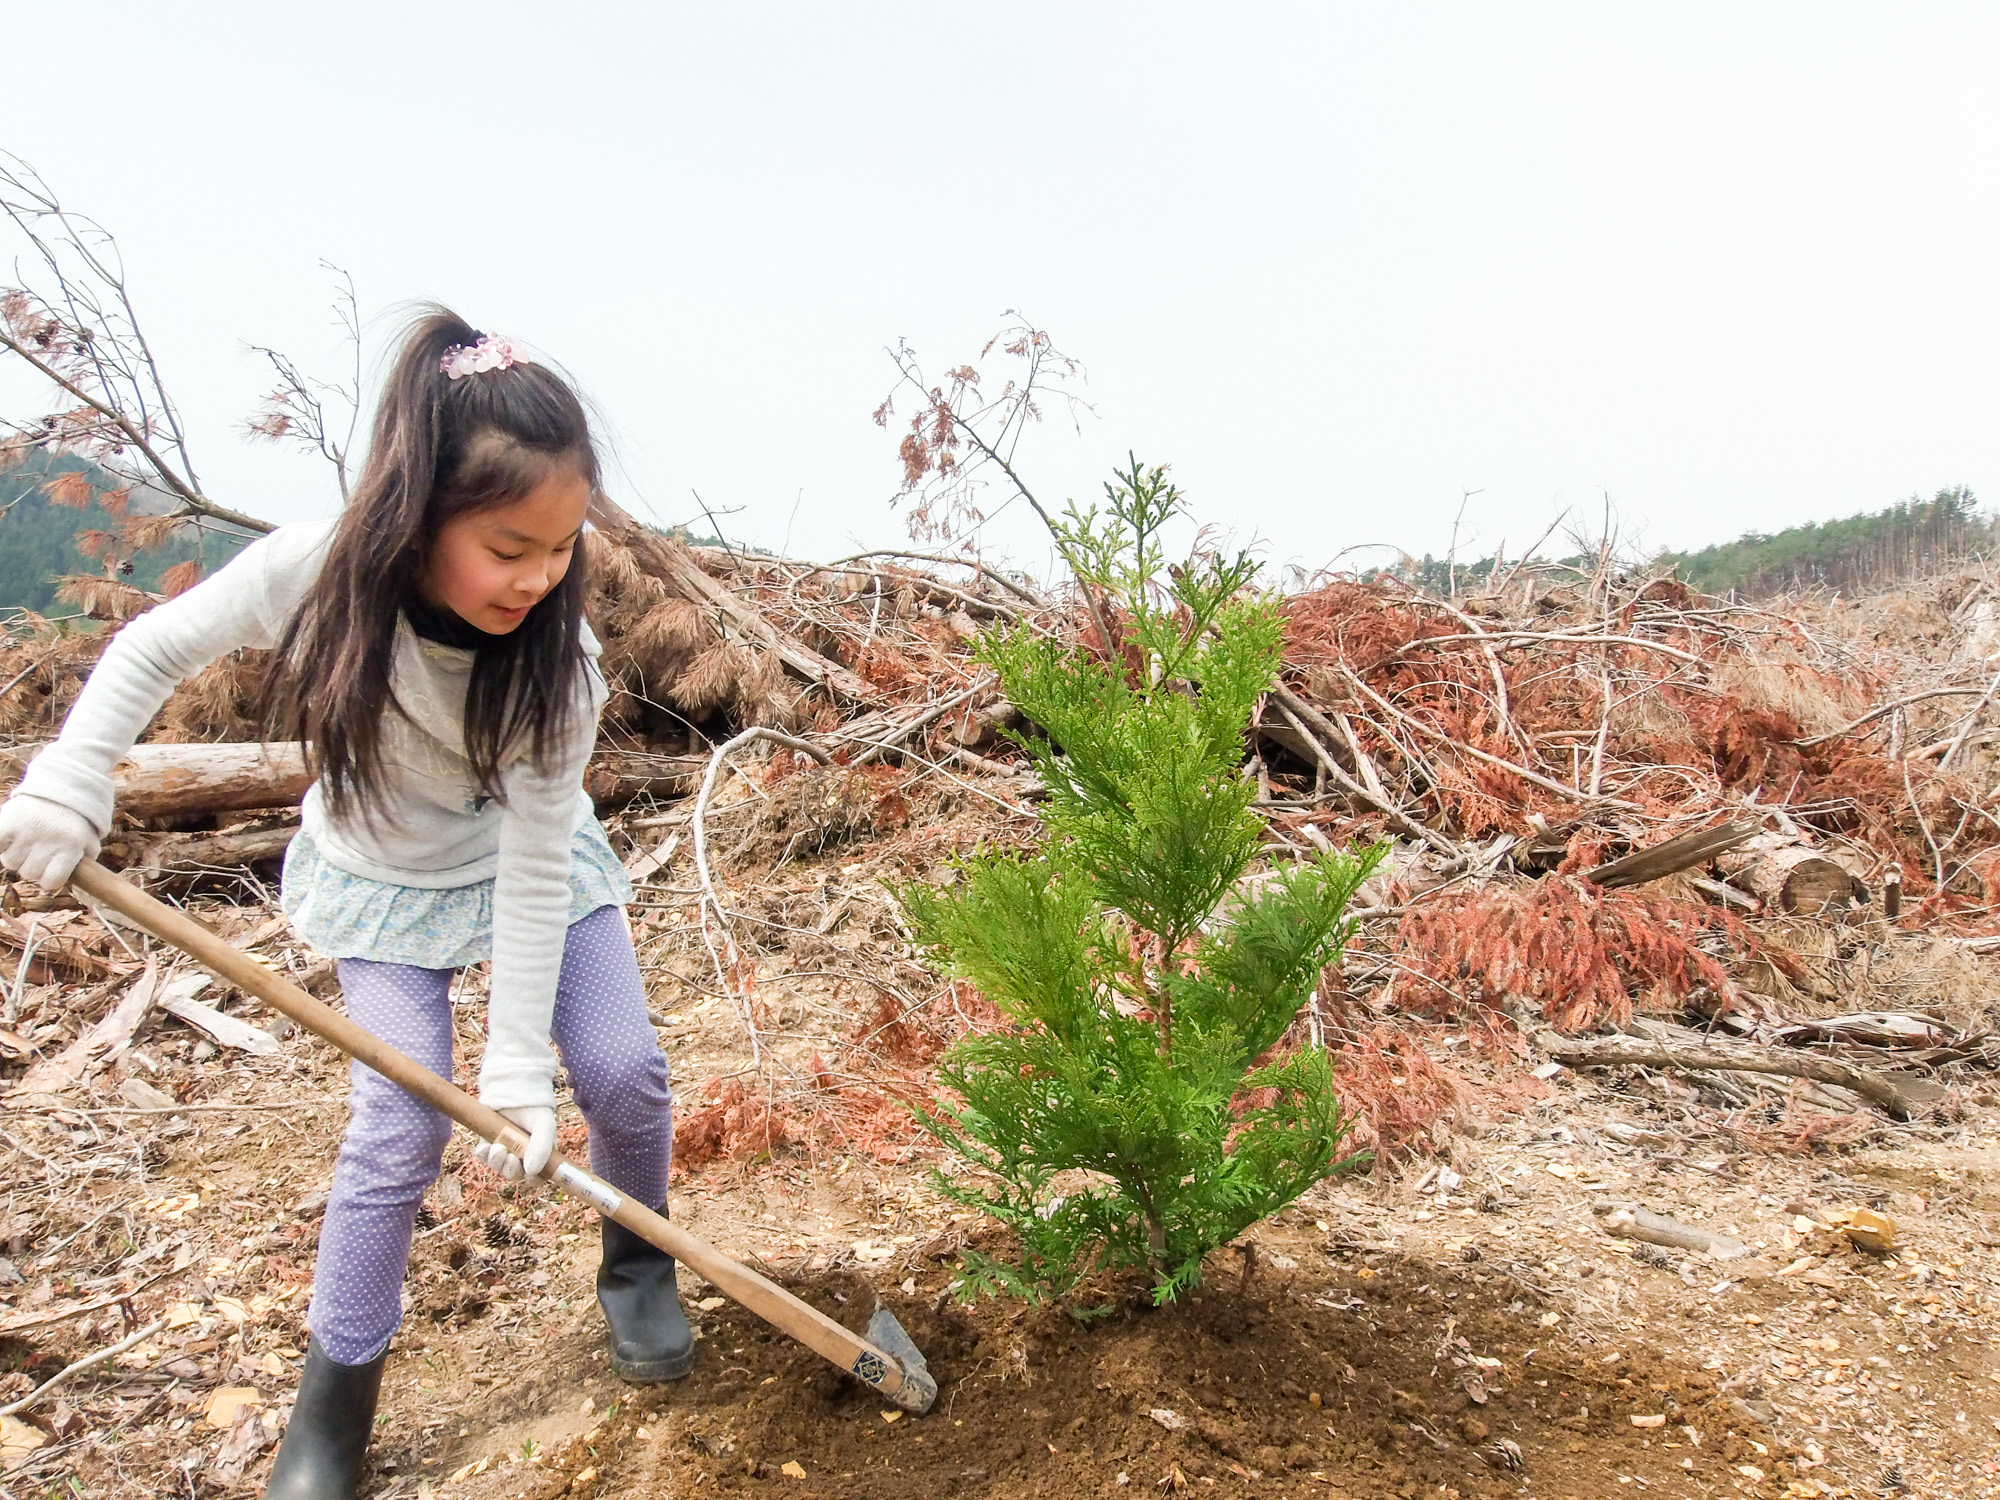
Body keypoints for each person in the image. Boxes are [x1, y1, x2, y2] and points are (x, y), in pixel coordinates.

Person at [0, 311, 689, 1500]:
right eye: (507, 547)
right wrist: (71, 782)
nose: (537, 578)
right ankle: (335, 1399)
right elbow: (152, 649)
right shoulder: (316, 572)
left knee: (623, 1071)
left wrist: (517, 1069)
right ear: (419, 513)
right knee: (397, 1125)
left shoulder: (558, 663)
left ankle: (638, 1264)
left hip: (528, 865)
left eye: (559, 548)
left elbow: (535, 865)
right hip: (383, 877)